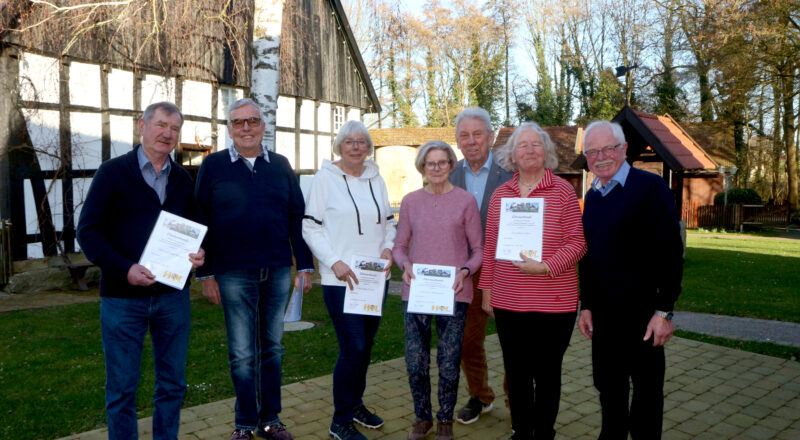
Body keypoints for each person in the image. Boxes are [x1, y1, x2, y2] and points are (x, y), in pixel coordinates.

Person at [77, 101, 205, 440]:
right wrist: (125, 269)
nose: (167, 133)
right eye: (161, 125)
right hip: (122, 299)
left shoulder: (182, 179)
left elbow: (194, 228)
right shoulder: (113, 172)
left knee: (173, 384)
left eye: (174, 128)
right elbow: (88, 233)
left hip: (172, 299)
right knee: (121, 388)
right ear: (142, 126)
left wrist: (198, 253)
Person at [195, 98, 314, 440]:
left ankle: (271, 420)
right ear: (229, 129)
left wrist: (304, 265)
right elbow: (200, 218)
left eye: (252, 121)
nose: (246, 127)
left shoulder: (280, 165)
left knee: (272, 348)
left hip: (276, 270)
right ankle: (245, 424)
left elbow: (296, 217)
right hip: (232, 273)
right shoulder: (214, 166)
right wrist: (206, 275)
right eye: (237, 122)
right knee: (243, 353)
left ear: (263, 126)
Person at [479, 122, 586, 440]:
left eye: (536, 144)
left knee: (548, 374)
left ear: (547, 152)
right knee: (517, 372)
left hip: (555, 301)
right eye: (522, 145)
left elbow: (577, 243)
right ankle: (522, 431)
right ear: (512, 154)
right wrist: (487, 289)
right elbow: (491, 247)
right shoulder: (501, 196)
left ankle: (544, 433)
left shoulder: (564, 191)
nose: (528, 149)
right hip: (509, 300)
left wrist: (546, 267)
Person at [577, 121, 683, 440]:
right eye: (592, 151)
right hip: (605, 319)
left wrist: (664, 311)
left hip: (644, 316)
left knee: (648, 396)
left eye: (608, 148)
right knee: (609, 390)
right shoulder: (593, 196)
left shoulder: (650, 188)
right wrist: (587, 306)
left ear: (623, 149)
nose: (601, 156)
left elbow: (671, 252)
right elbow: (590, 258)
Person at [302, 120, 397, 440]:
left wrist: (388, 247)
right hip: (340, 278)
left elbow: (388, 223)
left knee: (366, 347)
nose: (356, 146)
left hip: (374, 278)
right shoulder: (324, 179)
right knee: (352, 348)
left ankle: (355, 404)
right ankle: (339, 421)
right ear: (339, 146)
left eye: (361, 141)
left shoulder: (377, 178)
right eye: (349, 142)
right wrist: (334, 262)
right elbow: (310, 227)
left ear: (368, 147)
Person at [393, 141, 484, 440]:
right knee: (415, 360)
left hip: (454, 292)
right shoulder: (409, 201)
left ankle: (445, 418)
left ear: (450, 165)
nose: (436, 168)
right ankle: (422, 417)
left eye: (442, 162)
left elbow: (478, 249)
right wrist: (404, 264)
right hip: (417, 292)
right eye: (430, 163)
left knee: (448, 359)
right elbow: (399, 245)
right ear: (422, 166)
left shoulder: (466, 201)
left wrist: (466, 270)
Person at [448, 107, 513, 424]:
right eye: (464, 135)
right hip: (468, 275)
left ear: (490, 136)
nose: (471, 141)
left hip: (509, 274)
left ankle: (518, 403)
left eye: (477, 134)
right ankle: (480, 396)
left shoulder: (511, 172)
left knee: (515, 344)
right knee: (465, 343)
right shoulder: (449, 176)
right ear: (457, 140)